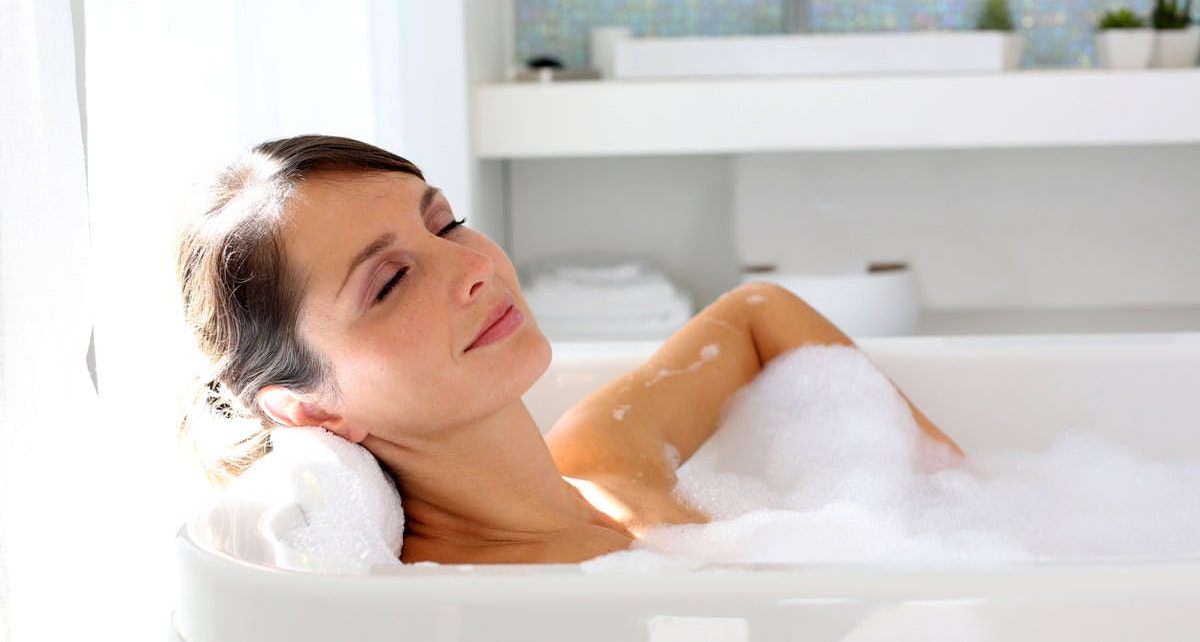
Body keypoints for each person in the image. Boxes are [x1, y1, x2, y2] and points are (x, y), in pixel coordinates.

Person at [175, 135, 960, 565]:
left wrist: (951, 500)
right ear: (308, 406)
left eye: (444, 223)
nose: (477, 266)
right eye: (389, 281)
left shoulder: (600, 462)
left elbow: (761, 310)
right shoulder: (473, 606)